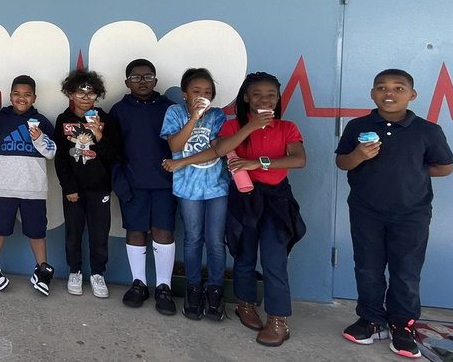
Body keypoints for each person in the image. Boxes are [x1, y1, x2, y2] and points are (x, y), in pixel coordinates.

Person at [179, 72, 306, 347]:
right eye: (258, 94)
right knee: (244, 255)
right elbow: (221, 149)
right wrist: (250, 127)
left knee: (274, 258)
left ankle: (278, 319)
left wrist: (256, 164)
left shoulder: (287, 127)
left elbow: (298, 160)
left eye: (271, 94)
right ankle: (245, 304)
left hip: (276, 200)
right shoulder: (233, 125)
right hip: (243, 198)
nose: (265, 99)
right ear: (246, 97)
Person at [336, 68, 453, 359]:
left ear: (412, 95)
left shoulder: (428, 131)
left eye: (398, 88)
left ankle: (402, 324)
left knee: (406, 271)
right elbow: (342, 163)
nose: (389, 93)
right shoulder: (357, 126)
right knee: (367, 267)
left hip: (411, 215)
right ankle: (371, 319)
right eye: (381, 87)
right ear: (372, 93)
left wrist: (412, 172)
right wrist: (359, 155)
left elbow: (444, 166)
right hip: (366, 211)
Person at [161, 67, 231, 321]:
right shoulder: (175, 113)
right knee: (192, 239)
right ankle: (193, 288)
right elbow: (175, 145)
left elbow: (218, 150)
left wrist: (180, 162)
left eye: (208, 92)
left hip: (217, 187)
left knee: (215, 241)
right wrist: (193, 118)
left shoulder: (218, 116)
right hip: (187, 188)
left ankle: (215, 290)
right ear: (184, 95)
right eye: (196, 91)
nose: (203, 95)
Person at [108, 59, 177, 314]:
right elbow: (112, 152)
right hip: (133, 184)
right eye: (136, 78)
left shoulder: (170, 109)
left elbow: (179, 149)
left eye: (148, 76)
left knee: (163, 232)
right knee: (135, 232)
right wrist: (120, 183)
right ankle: (139, 283)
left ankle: (163, 287)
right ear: (127, 83)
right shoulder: (118, 110)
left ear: (156, 80)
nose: (143, 81)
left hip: (164, 185)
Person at [0, 75, 57, 295]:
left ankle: (42, 269)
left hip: (34, 188)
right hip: (4, 187)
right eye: (17, 94)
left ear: (34, 97)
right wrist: (7, 173)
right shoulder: (0, 120)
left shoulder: (42, 121)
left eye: (27, 94)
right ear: (10, 95)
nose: (21, 98)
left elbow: (51, 153)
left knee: (36, 231)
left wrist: (39, 138)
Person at [53, 70, 121, 299]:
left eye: (90, 93)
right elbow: (61, 158)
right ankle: (75, 271)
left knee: (99, 233)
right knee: (73, 232)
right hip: (73, 189)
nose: (85, 97)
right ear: (70, 93)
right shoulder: (63, 120)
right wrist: (68, 187)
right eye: (80, 92)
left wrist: (99, 136)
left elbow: (114, 155)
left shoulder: (106, 119)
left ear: (97, 95)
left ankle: (98, 274)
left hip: (99, 187)